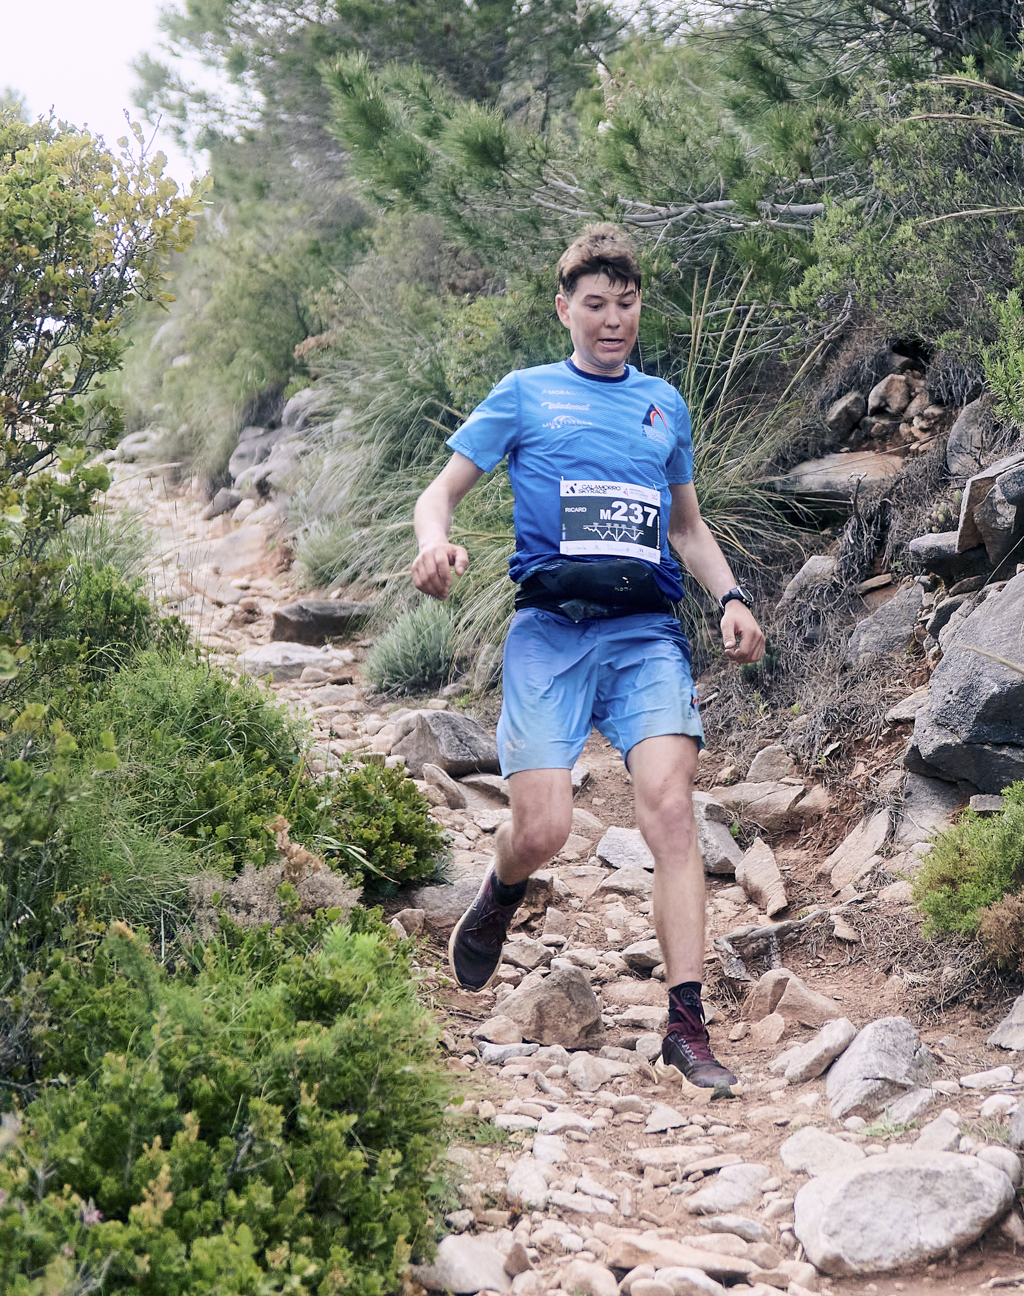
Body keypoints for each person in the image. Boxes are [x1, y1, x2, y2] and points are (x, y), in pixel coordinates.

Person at [411, 223, 765, 1089]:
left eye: (627, 304)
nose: (613, 320)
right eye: (596, 305)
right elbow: (439, 493)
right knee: (544, 829)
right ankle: (501, 890)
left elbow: (686, 527)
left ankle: (686, 1024)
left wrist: (732, 598)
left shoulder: (664, 405)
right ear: (564, 309)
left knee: (670, 810)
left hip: (645, 635)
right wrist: (433, 545)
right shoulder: (526, 395)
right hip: (550, 634)